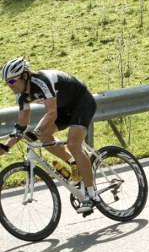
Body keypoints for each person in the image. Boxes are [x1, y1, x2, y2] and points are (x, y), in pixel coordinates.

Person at [0, 57, 99, 213]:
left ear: (25, 76)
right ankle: (74, 163)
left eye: (12, 82)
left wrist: (35, 133)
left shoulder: (41, 81)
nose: (9, 86)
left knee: (73, 143)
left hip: (81, 103)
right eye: (7, 83)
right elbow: (22, 125)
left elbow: (51, 113)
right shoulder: (22, 95)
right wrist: (6, 146)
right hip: (63, 109)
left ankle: (92, 195)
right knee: (45, 138)